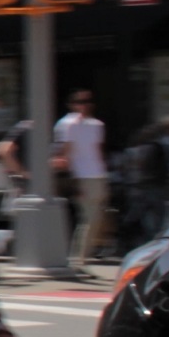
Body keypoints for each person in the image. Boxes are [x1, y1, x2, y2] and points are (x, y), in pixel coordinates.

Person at [52, 89, 109, 270]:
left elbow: (97, 151)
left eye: (87, 102)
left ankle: (83, 258)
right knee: (89, 219)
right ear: (72, 104)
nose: (83, 106)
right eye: (79, 102)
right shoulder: (66, 124)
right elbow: (64, 152)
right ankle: (78, 261)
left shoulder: (97, 125)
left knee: (97, 218)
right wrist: (71, 178)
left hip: (98, 174)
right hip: (81, 176)